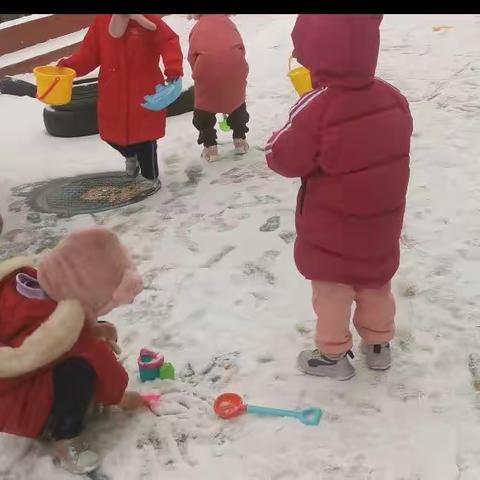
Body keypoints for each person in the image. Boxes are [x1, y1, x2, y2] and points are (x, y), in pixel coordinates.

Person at [266, 14, 413, 380]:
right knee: (375, 282)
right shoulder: (393, 98)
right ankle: (378, 345)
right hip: (380, 223)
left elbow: (282, 156)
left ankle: (332, 356)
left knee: (333, 290)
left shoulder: (317, 107)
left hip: (331, 229)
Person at [0, 227, 145, 474]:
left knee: (73, 358)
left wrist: (93, 327)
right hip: (14, 404)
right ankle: (66, 437)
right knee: (80, 368)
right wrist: (124, 398)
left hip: (9, 383)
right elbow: (109, 378)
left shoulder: (22, 278)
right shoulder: (66, 332)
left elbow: (34, 321)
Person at [58, 14, 184, 187]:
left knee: (145, 140)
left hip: (144, 92)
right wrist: (67, 68)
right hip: (113, 94)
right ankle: (130, 155)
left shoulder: (148, 19)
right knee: (113, 136)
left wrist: (174, 69)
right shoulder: (102, 21)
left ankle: (150, 179)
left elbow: (169, 40)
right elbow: (89, 54)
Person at [188, 14, 249, 162]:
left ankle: (210, 147)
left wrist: (198, 74)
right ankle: (240, 139)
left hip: (207, 68)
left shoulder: (197, 28)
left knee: (204, 108)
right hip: (235, 66)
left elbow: (192, 56)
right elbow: (241, 47)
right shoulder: (229, 23)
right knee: (237, 100)